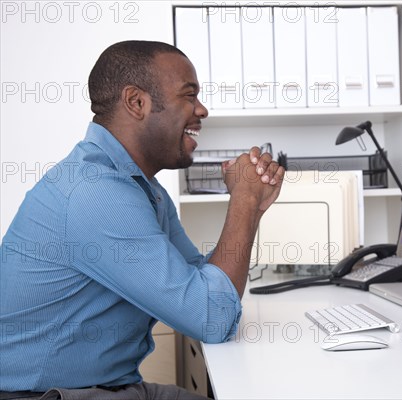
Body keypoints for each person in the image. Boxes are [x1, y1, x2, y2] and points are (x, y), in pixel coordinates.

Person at [0, 40, 284, 399]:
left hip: (110, 387)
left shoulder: (139, 186)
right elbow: (211, 317)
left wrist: (252, 207)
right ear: (137, 103)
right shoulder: (96, 192)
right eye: (189, 95)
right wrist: (244, 200)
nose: (202, 109)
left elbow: (202, 284)